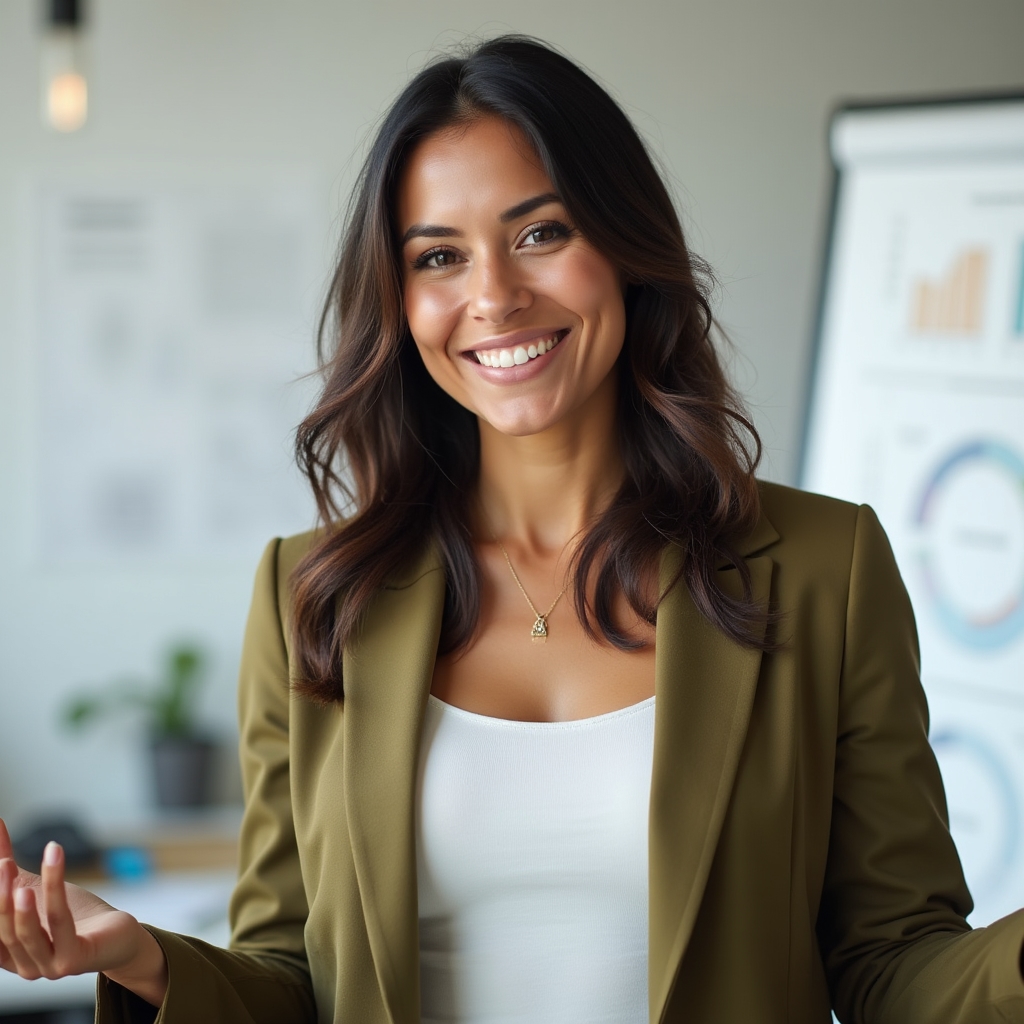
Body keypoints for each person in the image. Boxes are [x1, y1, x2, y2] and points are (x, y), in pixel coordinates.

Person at [1, 34, 1023, 1024]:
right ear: (399, 302)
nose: (493, 296)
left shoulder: (821, 570)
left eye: (542, 232)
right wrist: (138, 959)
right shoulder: (312, 597)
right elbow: (291, 978)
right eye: (438, 256)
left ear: (626, 248)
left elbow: (894, 968)